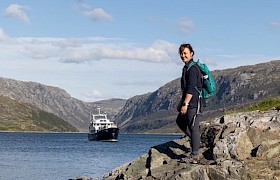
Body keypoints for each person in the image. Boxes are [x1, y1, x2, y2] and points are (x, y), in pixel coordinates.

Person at [176, 43, 202, 164]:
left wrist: (185, 104)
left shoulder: (193, 69)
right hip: (188, 101)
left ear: (191, 53)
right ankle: (196, 143)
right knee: (180, 121)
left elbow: (191, 88)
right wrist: (181, 102)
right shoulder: (186, 68)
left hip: (194, 102)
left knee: (193, 127)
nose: (183, 55)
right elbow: (185, 88)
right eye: (181, 53)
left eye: (185, 53)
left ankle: (195, 154)